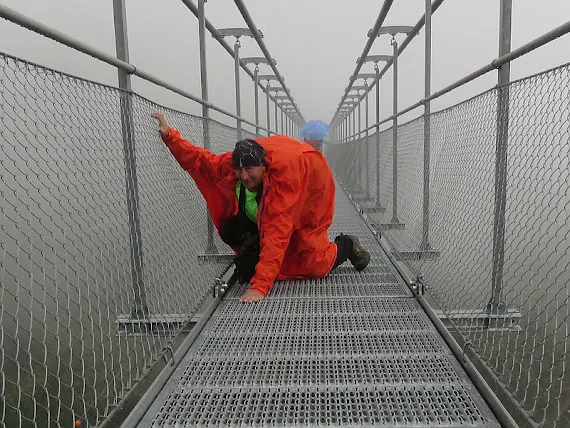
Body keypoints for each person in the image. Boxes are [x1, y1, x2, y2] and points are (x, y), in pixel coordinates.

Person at [152, 112, 370, 303]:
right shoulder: (237, 160)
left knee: (313, 265)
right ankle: (270, 257)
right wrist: (170, 136)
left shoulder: (282, 181)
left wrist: (260, 286)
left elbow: (277, 229)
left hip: (313, 190)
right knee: (250, 263)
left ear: (264, 167)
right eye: (239, 171)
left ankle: (346, 245)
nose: (244, 176)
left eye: (249, 170)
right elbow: (200, 161)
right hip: (280, 189)